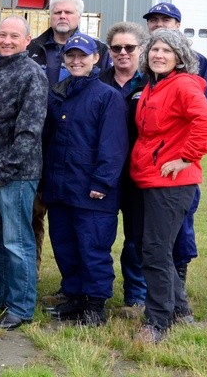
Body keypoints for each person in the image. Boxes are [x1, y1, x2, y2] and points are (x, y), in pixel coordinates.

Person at [130, 28, 207, 344]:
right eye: (155, 49)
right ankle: (179, 311)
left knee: (155, 251)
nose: (158, 55)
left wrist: (186, 158)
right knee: (159, 250)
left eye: (167, 50)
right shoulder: (154, 86)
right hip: (150, 178)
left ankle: (157, 322)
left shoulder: (182, 85)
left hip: (171, 182)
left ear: (180, 57)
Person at [42, 34, 127, 327]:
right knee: (65, 245)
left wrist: (102, 183)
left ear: (96, 58)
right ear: (64, 59)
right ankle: (75, 299)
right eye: (71, 56)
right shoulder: (60, 93)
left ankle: (95, 306)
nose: (76, 61)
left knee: (92, 247)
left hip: (91, 189)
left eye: (83, 56)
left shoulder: (107, 96)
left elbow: (113, 145)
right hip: (60, 186)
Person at [26, 0, 110, 287]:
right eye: (57, 12)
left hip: (79, 152)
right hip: (39, 147)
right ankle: (31, 276)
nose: (62, 17)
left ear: (79, 17)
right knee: (34, 217)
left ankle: (82, 290)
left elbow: (106, 97)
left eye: (69, 13)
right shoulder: (33, 47)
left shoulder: (99, 49)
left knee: (77, 225)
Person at [0, 16, 47, 330]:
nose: (6, 40)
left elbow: (29, 130)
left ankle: (20, 306)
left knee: (17, 241)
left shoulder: (32, 74)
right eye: (2, 34)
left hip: (16, 173)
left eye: (14, 36)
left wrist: (7, 168)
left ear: (26, 40)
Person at [98, 22, 149, 318]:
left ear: (141, 49)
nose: (123, 53)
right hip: (103, 174)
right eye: (116, 48)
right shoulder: (98, 81)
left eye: (129, 47)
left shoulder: (151, 84)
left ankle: (136, 297)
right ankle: (93, 291)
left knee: (136, 238)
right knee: (98, 236)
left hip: (137, 174)